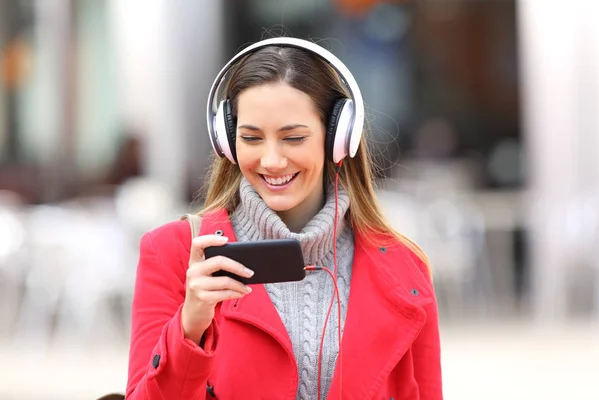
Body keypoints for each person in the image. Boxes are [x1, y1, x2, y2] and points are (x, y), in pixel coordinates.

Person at [125, 37, 442, 400]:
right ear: (227, 142)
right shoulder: (174, 253)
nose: (272, 161)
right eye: (251, 138)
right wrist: (189, 326)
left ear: (337, 137)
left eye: (293, 138)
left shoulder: (403, 269)